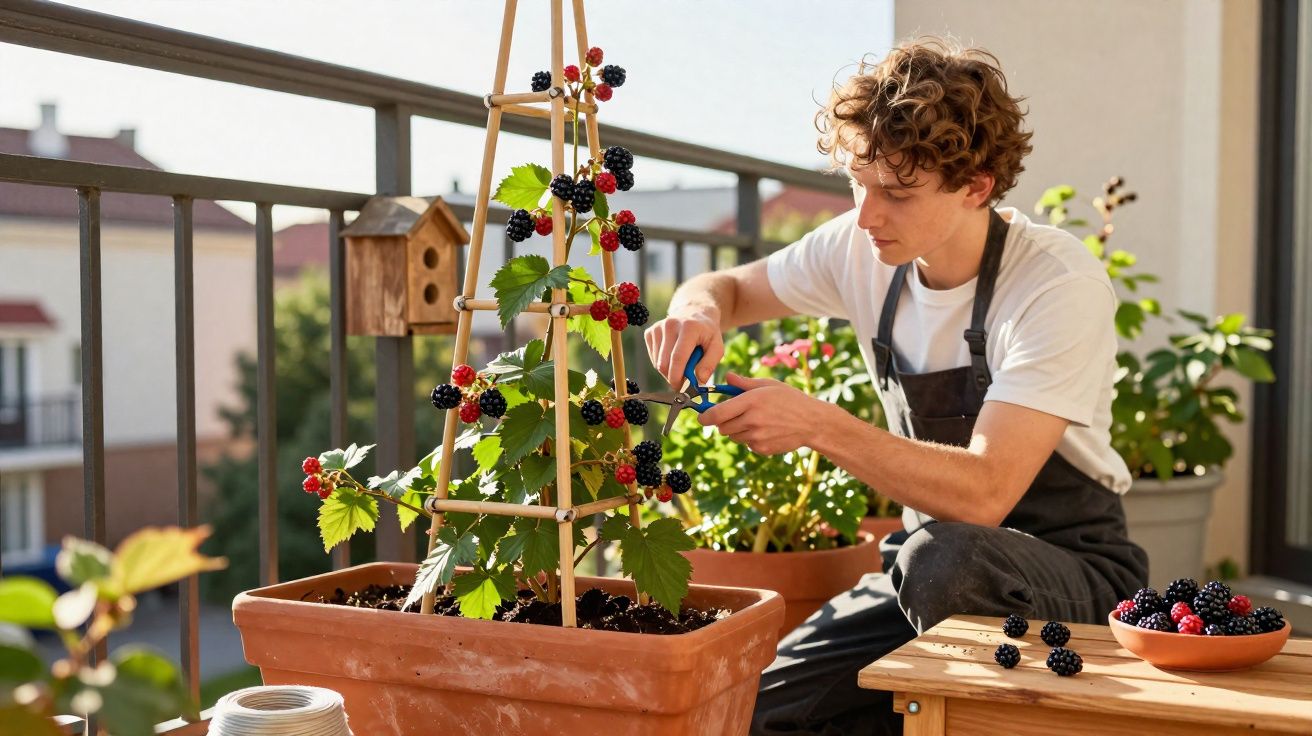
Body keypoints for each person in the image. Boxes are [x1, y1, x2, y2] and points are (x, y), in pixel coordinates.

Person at [643, 37, 1148, 736]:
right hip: (921, 573)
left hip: (1070, 571)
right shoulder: (860, 248)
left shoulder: (1055, 286)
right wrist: (696, 313)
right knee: (758, 712)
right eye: (859, 181)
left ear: (976, 185)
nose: (866, 214)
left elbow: (985, 493)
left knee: (945, 557)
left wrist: (815, 424)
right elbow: (724, 286)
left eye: (898, 193)